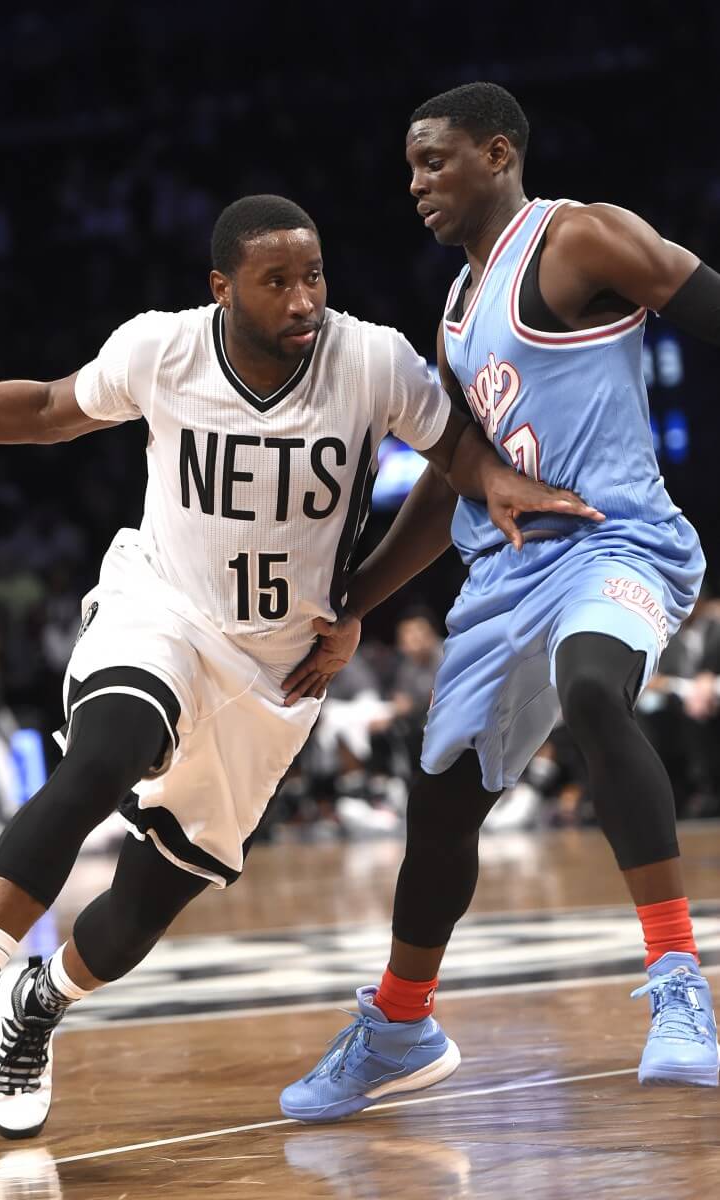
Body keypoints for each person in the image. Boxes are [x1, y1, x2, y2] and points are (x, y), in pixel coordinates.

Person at [0, 193, 598, 1139]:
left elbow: (453, 463)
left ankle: (38, 1002)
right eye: (277, 281)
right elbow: (49, 408)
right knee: (104, 753)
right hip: (163, 611)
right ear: (222, 288)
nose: (303, 298)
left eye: (313, 274)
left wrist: (359, 600)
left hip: (276, 671)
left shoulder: (374, 360)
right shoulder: (163, 348)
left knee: (143, 908)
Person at [280, 83, 720, 1124]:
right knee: (439, 805)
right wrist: (353, 603)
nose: (416, 184)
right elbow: (448, 485)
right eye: (408, 168)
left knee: (596, 688)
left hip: (616, 542)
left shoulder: (578, 239)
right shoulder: (455, 311)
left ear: (496, 152)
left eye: (433, 161)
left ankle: (678, 982)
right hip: (507, 576)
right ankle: (397, 1024)